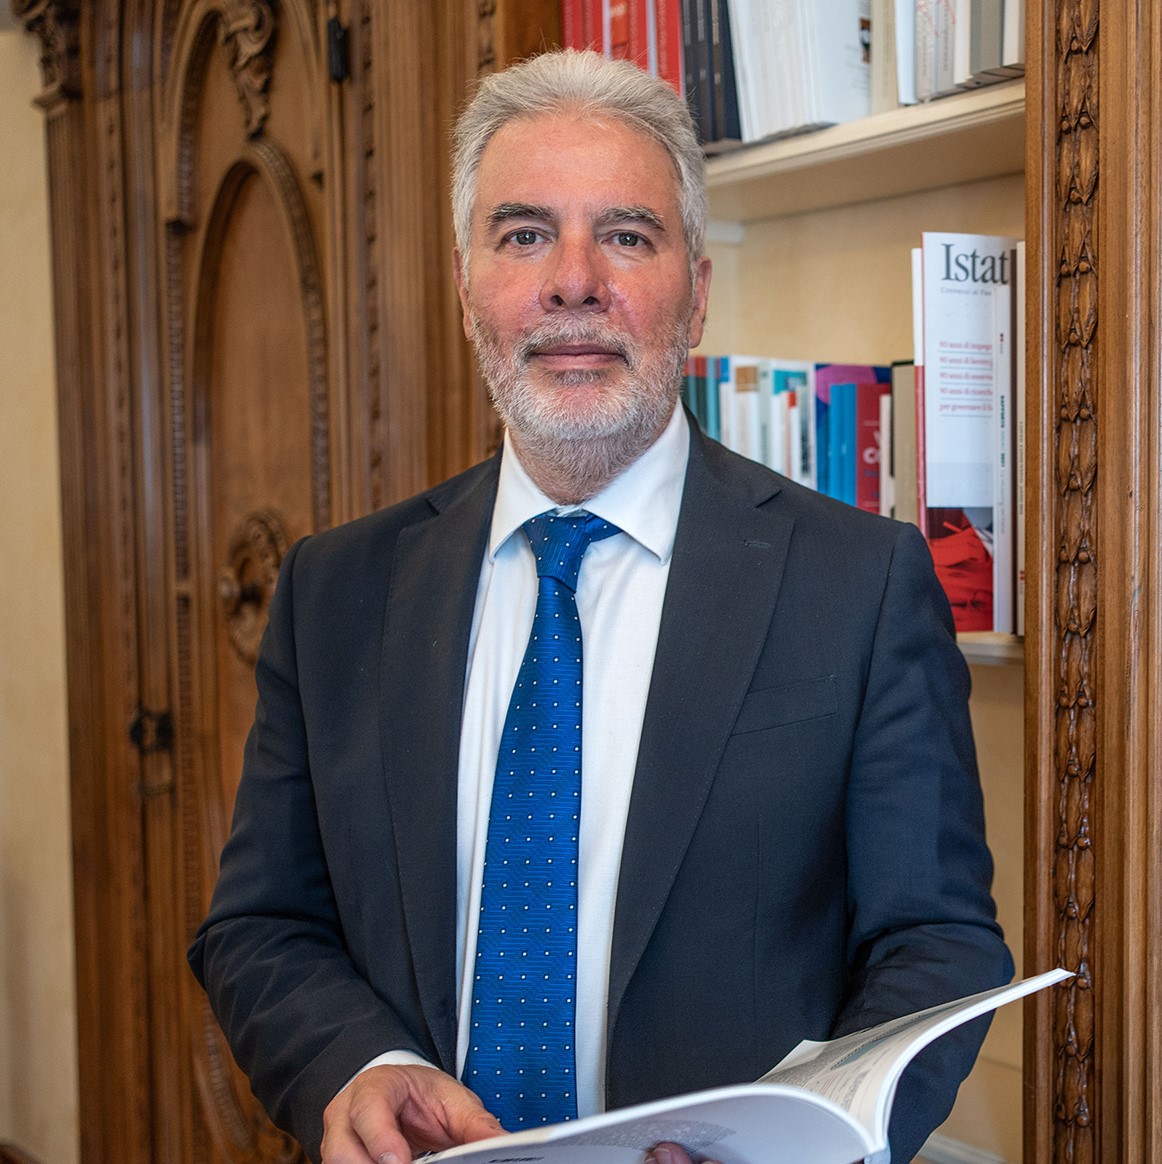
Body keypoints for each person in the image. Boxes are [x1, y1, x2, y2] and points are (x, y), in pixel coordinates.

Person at [189, 48, 1013, 1164]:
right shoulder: (333, 592)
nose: (573, 282)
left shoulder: (859, 584)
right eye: (524, 234)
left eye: (625, 235)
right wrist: (360, 1068)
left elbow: (937, 945)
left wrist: (803, 1144)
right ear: (465, 284)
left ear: (697, 291)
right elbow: (263, 925)